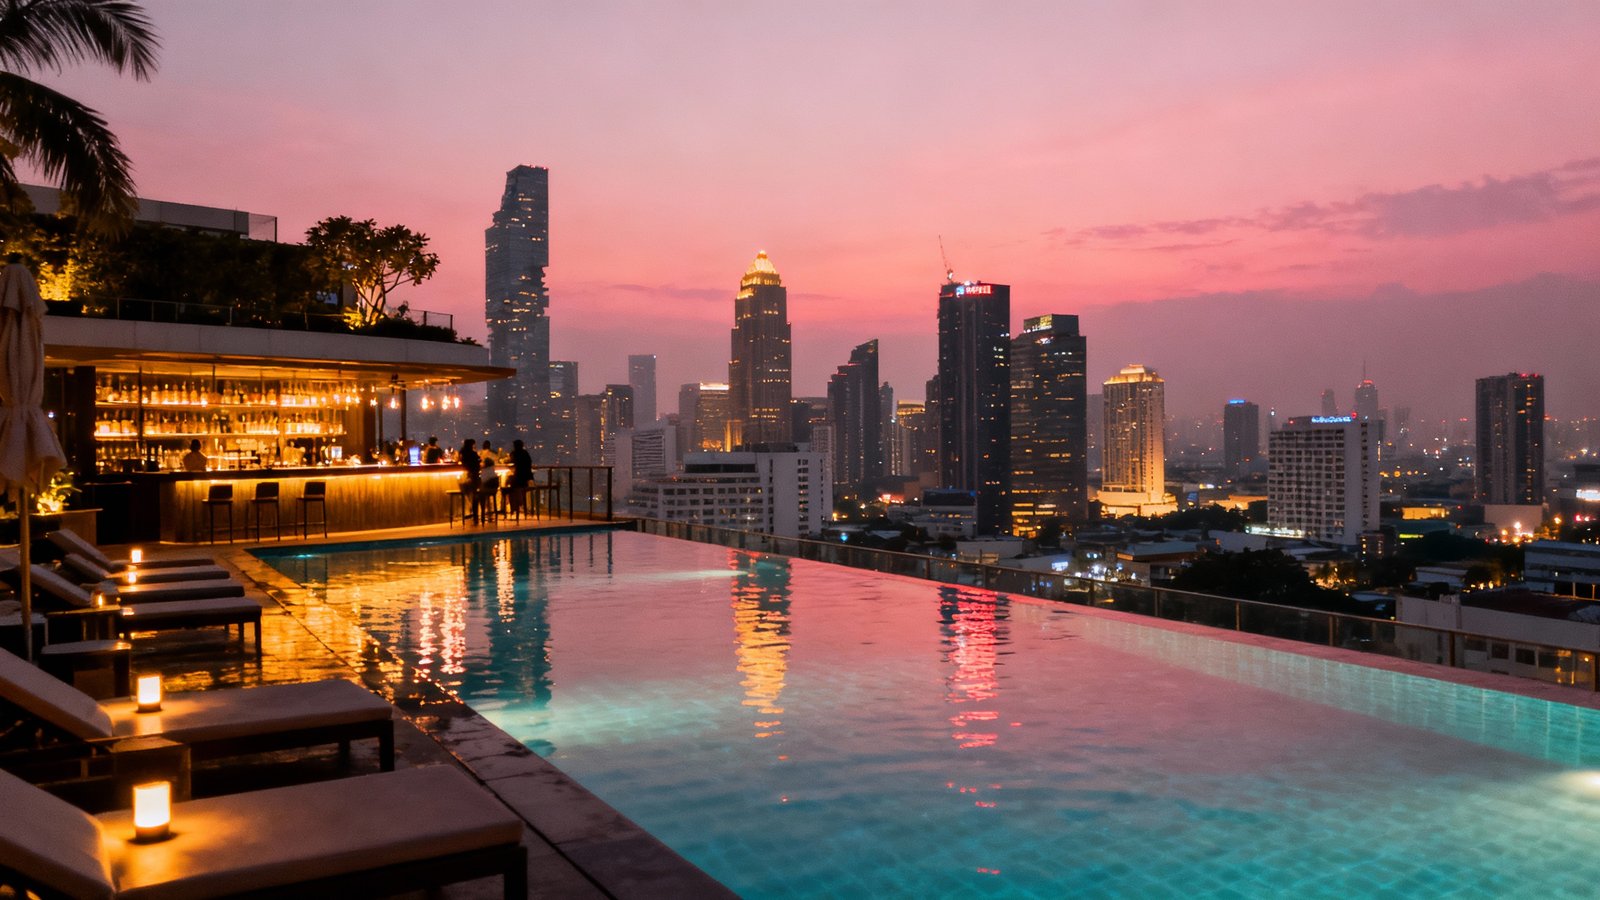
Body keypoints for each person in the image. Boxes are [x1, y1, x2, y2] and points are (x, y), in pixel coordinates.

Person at [507, 439, 533, 516]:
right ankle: (521, 505)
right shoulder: (525, 453)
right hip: (527, 479)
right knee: (518, 489)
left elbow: (511, 462)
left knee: (509, 488)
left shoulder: (514, 453)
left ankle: (514, 508)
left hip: (519, 479)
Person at [458, 439, 481, 521]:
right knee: (475, 494)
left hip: (465, 479)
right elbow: (478, 464)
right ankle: (475, 514)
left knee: (466, 493)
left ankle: (469, 510)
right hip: (474, 478)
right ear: (471, 445)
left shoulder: (462, 453)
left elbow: (461, 462)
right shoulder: (473, 454)